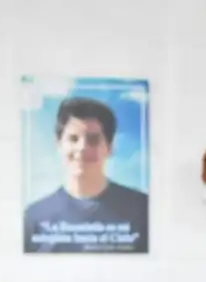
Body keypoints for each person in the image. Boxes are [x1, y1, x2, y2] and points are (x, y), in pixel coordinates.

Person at [23, 96, 149, 253]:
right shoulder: (33, 217)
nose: (82, 147)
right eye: (73, 138)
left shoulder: (143, 209)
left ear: (110, 147)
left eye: (93, 140)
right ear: (58, 144)